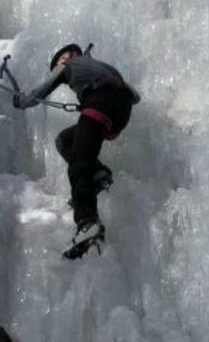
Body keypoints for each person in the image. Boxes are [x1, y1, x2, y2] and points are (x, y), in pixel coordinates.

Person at [13, 43, 141, 257]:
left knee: (79, 162)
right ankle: (98, 174)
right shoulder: (102, 66)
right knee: (65, 141)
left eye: (60, 59)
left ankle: (87, 221)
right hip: (121, 111)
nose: (60, 63)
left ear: (66, 57)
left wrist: (22, 101)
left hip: (99, 101)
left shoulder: (68, 65)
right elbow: (135, 96)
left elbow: (41, 92)